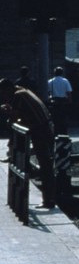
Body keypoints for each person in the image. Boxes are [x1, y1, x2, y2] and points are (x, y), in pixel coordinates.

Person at [0, 78, 56, 208]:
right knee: (45, 164)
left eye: (2, 92)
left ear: (7, 89)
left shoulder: (18, 95)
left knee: (45, 164)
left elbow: (14, 117)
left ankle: (48, 200)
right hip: (45, 128)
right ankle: (48, 198)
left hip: (40, 130)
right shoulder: (23, 91)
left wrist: (6, 112)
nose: (2, 96)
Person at [47, 66, 72, 135]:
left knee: (54, 118)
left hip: (54, 102)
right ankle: (63, 133)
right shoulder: (65, 81)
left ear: (54, 73)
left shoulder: (50, 81)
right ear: (62, 73)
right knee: (63, 119)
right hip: (63, 102)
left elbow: (48, 92)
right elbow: (69, 92)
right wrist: (70, 102)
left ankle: (55, 132)